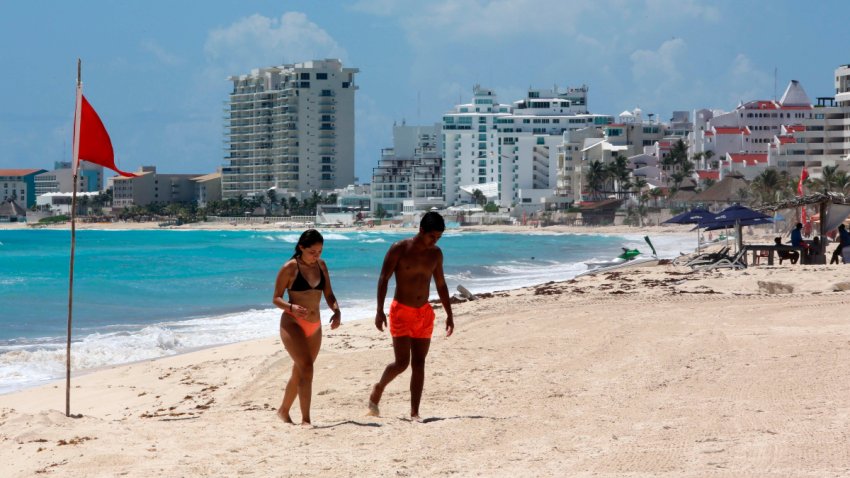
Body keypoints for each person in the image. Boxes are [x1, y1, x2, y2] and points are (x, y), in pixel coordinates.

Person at [367, 212, 454, 420]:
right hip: (401, 311)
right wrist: (379, 310)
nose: (435, 241)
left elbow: (441, 284)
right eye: (432, 236)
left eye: (439, 238)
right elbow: (383, 278)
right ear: (421, 230)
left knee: (419, 363)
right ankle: (379, 388)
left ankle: (415, 412)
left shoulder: (436, 254)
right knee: (402, 363)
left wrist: (449, 314)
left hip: (424, 313)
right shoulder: (399, 249)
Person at [273, 229, 341, 426]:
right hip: (292, 323)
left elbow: (329, 293)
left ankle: (283, 410)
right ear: (301, 247)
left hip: (315, 325)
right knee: (307, 368)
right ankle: (306, 420)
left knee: (300, 371)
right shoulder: (290, 268)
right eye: (313, 252)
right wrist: (291, 307)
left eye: (320, 251)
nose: (317, 255)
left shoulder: (321, 265)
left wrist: (336, 311)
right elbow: (276, 298)